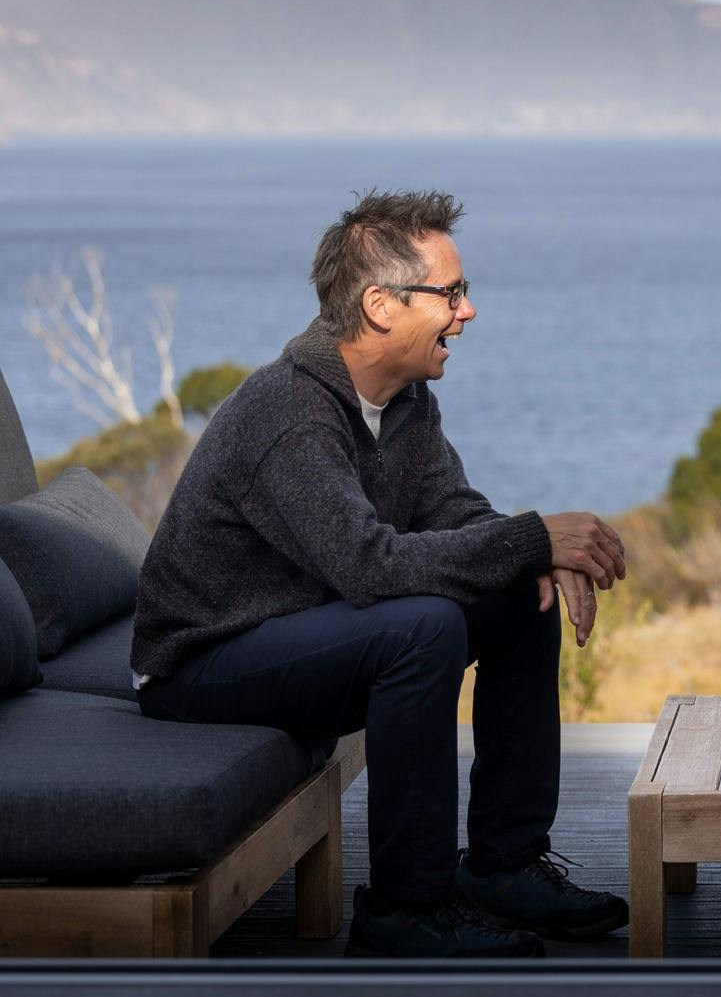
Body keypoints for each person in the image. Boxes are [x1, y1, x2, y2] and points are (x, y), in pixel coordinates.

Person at [132, 191, 630, 958]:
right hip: (203, 660)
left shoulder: (405, 400)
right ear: (380, 305)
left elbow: (458, 512)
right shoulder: (290, 412)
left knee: (516, 592)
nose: (468, 311)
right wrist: (532, 537)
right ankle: (404, 909)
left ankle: (504, 864)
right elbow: (367, 565)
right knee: (421, 625)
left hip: (300, 632)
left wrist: (531, 551)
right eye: (452, 292)